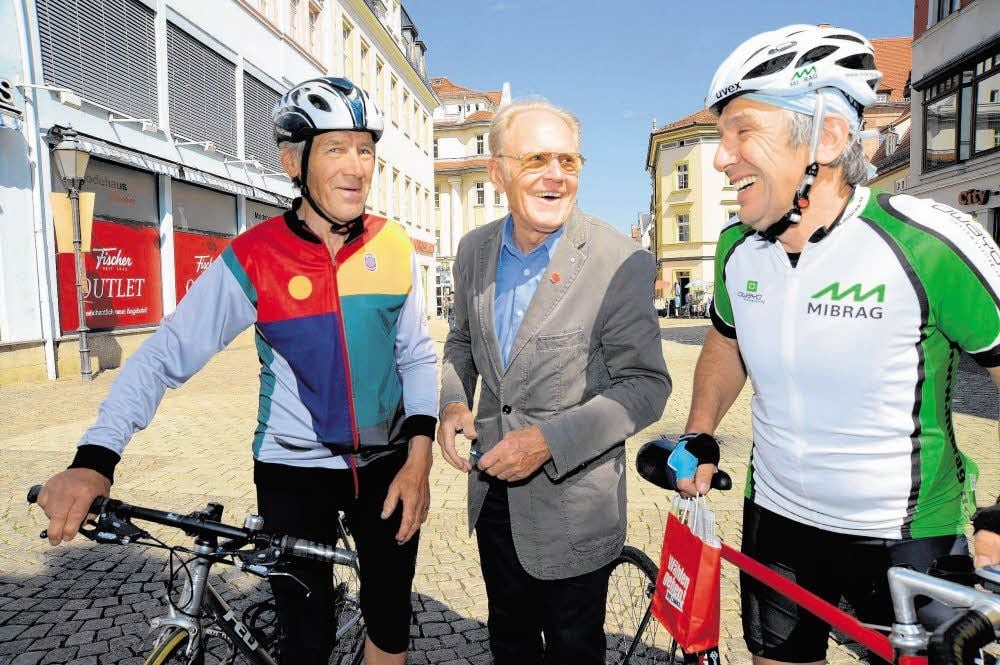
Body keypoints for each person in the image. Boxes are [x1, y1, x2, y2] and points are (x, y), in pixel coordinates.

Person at [35, 77, 438, 665]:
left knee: (389, 626)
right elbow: (164, 354)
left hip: (386, 464)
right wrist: (95, 459)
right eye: (336, 148)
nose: (357, 166)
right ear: (293, 161)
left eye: (365, 149)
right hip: (292, 471)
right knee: (304, 644)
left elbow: (417, 356)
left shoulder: (393, 244)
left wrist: (419, 459)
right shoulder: (255, 255)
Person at [669, 24, 1000, 665]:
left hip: (905, 536)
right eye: (721, 135)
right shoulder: (738, 249)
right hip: (778, 523)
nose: (721, 156)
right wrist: (700, 430)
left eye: (744, 130)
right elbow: (725, 342)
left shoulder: (926, 242)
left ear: (826, 136)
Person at [437, 100, 671, 665]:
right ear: (498, 171)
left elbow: (645, 385)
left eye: (568, 160)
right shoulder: (473, 251)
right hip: (492, 491)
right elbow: (461, 342)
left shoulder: (621, 260)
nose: (556, 175)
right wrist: (451, 404)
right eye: (536, 158)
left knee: (573, 651)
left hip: (575, 506)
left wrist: (548, 442)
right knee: (509, 642)